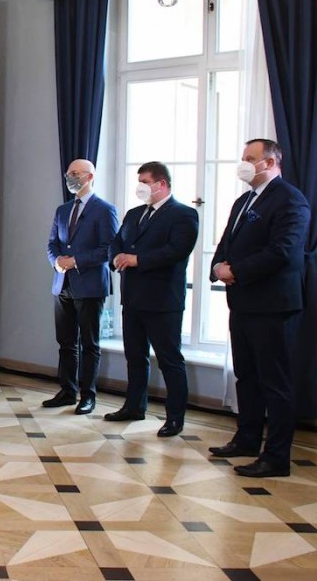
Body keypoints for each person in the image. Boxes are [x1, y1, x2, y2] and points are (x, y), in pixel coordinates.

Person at [209, 139, 310, 478]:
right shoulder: (244, 201)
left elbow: (283, 251)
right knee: (247, 377)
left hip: (273, 306)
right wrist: (217, 267)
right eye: (243, 157)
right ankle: (247, 439)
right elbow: (226, 242)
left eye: (250, 158)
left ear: (270, 162)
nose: (244, 163)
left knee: (275, 383)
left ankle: (276, 457)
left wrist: (236, 271)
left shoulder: (290, 200)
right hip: (243, 304)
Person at [105, 162, 199, 437]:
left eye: (145, 181)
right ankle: (134, 406)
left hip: (163, 301)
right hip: (132, 297)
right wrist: (116, 257)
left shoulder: (183, 214)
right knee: (135, 357)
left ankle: (175, 417)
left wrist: (138, 259)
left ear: (162, 184)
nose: (140, 187)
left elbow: (177, 251)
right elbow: (116, 241)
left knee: (170, 360)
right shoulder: (134, 214)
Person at [43, 159, 119, 415]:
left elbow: (108, 249)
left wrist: (75, 261)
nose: (70, 177)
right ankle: (67, 390)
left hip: (90, 285)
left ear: (90, 177)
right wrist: (57, 262)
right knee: (66, 342)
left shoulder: (104, 210)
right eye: (68, 173)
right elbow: (52, 244)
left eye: (75, 173)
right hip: (62, 284)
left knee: (89, 344)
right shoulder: (62, 210)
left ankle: (88, 396)